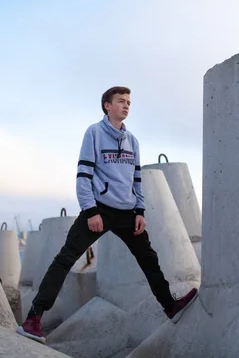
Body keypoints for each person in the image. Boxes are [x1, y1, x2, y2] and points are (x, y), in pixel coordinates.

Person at [17, 86, 198, 344]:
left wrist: (139, 211)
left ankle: (170, 306)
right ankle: (33, 319)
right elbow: (83, 176)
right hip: (99, 210)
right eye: (121, 101)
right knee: (65, 260)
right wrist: (90, 210)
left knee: (149, 259)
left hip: (127, 213)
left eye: (128, 102)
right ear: (107, 105)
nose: (126, 106)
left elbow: (136, 180)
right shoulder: (94, 133)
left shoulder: (132, 140)